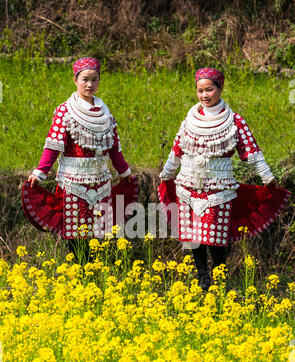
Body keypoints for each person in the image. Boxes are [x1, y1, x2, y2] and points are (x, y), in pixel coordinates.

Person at [158, 67, 290, 290]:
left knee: (217, 236)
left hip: (219, 188)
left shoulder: (235, 121)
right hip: (187, 185)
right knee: (192, 236)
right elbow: (177, 150)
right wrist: (166, 174)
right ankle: (202, 278)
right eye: (200, 91)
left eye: (209, 90)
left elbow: (251, 152)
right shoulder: (189, 120)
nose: (204, 95)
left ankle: (219, 277)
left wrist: (267, 176)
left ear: (220, 88)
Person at [23, 57, 136, 263]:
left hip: (101, 183)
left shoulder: (105, 114)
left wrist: (125, 173)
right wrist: (40, 172)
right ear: (75, 80)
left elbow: (114, 148)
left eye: (94, 79)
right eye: (85, 79)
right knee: (76, 233)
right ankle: (80, 271)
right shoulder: (65, 111)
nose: (90, 84)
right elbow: (53, 145)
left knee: (98, 234)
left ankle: (92, 275)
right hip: (73, 184)